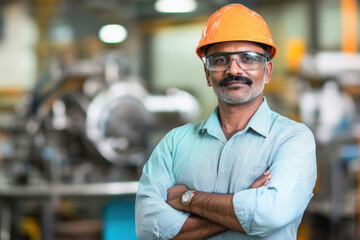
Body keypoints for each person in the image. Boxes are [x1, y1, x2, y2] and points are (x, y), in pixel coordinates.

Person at [135, 3, 317, 240]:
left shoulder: (293, 139)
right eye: (220, 60)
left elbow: (271, 215)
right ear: (207, 74)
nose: (234, 69)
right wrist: (244, 205)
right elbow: (149, 228)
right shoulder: (174, 143)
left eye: (248, 58)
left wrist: (187, 199)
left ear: (268, 71)